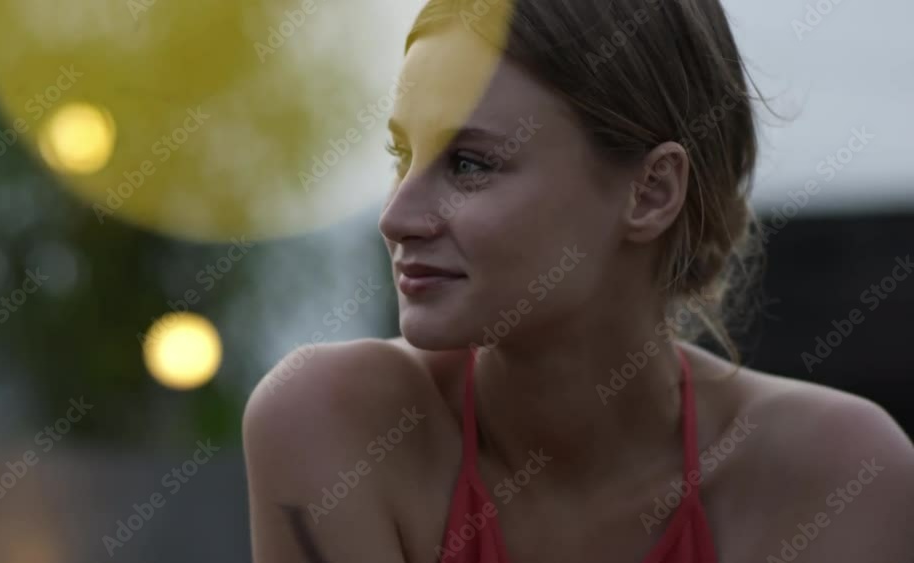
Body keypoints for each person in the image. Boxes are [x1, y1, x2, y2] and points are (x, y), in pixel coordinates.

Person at [242, 0, 914, 561]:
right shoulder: (337, 424)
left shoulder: (841, 474)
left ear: (651, 191)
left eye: (470, 164)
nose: (396, 217)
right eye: (402, 156)